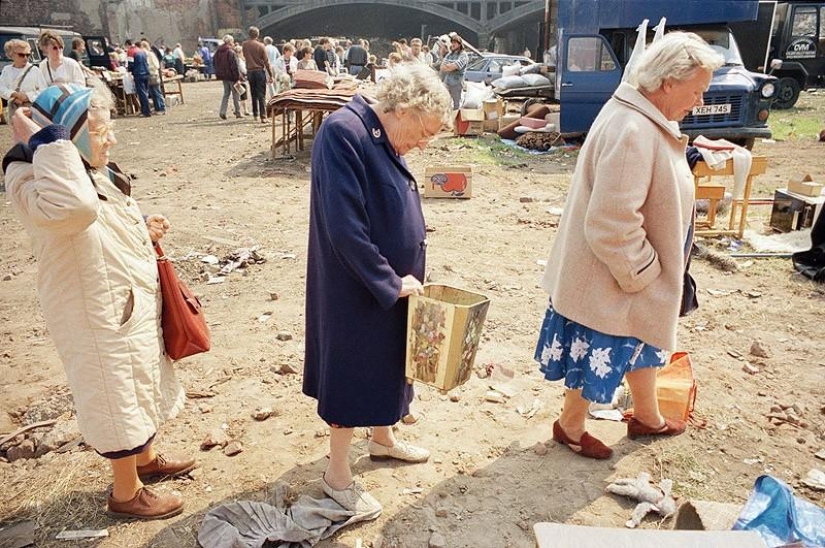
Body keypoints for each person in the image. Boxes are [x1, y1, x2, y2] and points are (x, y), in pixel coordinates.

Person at [3, 81, 195, 519]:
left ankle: (144, 462)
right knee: (113, 394)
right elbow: (77, 210)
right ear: (68, 136)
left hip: (121, 301)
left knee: (136, 382)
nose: (112, 137)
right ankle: (126, 493)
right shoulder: (32, 172)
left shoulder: (89, 168)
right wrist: (50, 139)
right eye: (102, 129)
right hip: (96, 309)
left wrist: (142, 226)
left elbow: (101, 218)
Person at [534, 32, 723, 459]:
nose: (699, 100)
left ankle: (647, 416)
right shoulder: (634, 128)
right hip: (617, 275)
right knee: (607, 348)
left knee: (642, 343)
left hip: (621, 273)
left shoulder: (640, 114)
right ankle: (570, 425)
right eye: (697, 91)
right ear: (669, 83)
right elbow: (611, 222)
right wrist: (645, 275)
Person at [303, 62, 453, 515]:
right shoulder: (342, 132)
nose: (424, 144)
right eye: (424, 132)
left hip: (393, 280)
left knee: (391, 360)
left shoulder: (381, 132)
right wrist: (388, 280)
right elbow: (345, 228)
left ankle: (384, 438)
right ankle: (337, 474)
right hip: (355, 283)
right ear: (403, 110)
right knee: (353, 370)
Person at [0, 39, 48, 122]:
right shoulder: (6, 70)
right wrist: (15, 95)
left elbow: (44, 90)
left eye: (28, 55)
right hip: (14, 110)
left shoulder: (35, 70)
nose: (25, 58)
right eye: (21, 55)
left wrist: (27, 96)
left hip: (31, 110)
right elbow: (1, 88)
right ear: (11, 55)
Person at [241, 26, 273, 124]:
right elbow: (266, 61)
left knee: (253, 93)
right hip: (259, 71)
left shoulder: (244, 45)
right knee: (261, 94)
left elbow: (245, 56)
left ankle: (255, 114)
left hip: (250, 71)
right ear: (257, 35)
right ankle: (263, 116)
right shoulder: (261, 46)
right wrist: (270, 75)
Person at [214, 35, 242, 119]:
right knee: (236, 95)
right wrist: (237, 78)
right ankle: (238, 112)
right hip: (232, 76)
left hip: (223, 76)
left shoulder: (218, 52)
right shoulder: (231, 52)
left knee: (226, 94)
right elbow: (235, 66)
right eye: (232, 42)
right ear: (230, 42)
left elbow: (214, 62)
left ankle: (222, 111)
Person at [439, 34, 469, 109]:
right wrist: (450, 67)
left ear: (459, 44)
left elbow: (456, 66)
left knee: (456, 104)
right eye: (452, 42)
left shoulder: (463, 55)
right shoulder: (449, 55)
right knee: (445, 103)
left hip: (457, 83)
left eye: (455, 43)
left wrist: (449, 66)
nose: (453, 44)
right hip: (447, 82)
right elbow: (442, 67)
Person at [125, 39, 152, 117]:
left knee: (141, 93)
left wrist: (129, 70)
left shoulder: (130, 52)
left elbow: (131, 64)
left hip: (138, 74)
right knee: (145, 93)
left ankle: (146, 111)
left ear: (128, 45)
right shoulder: (142, 51)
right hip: (146, 73)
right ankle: (145, 110)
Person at [141, 40, 166, 115]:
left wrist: (148, 68)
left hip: (153, 75)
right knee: (152, 93)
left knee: (157, 92)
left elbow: (156, 65)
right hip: (148, 75)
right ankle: (157, 108)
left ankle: (162, 108)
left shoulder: (151, 54)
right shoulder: (145, 55)